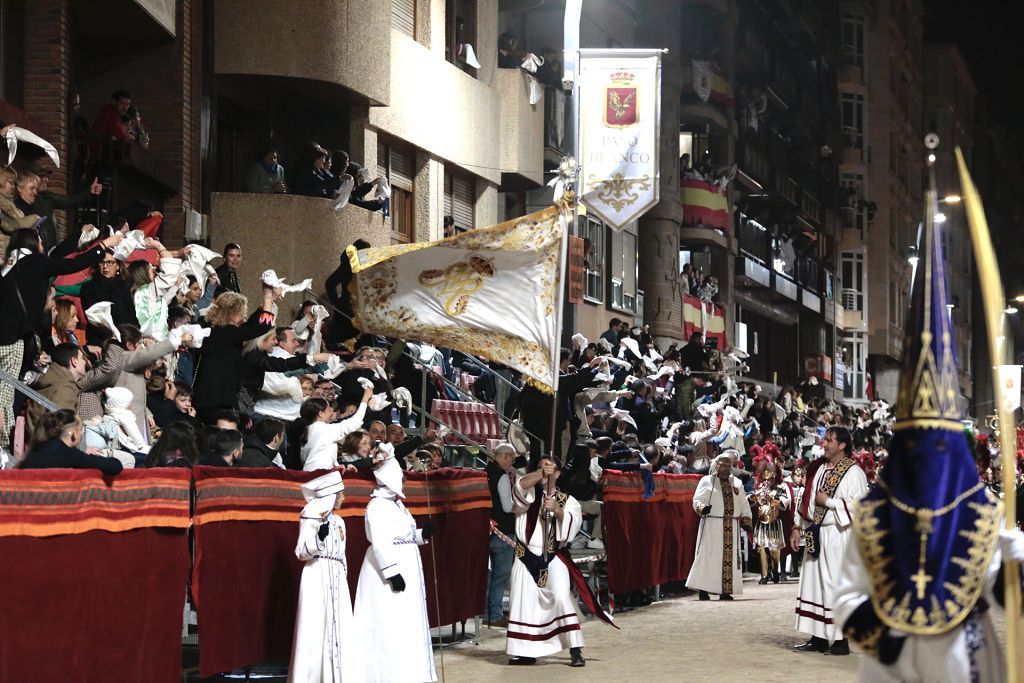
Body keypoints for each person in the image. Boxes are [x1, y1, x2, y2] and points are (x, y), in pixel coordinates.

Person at [833, 216, 1024, 682]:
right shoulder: (873, 514)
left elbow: (1003, 596)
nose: (926, 457)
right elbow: (847, 597)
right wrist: (891, 637)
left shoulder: (982, 512)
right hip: (890, 666)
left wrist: (1015, 565)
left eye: (937, 445)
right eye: (915, 445)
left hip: (967, 661)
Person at [0, 229, 121, 453]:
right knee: (5, 396)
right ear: (34, 243)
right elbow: (70, 265)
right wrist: (102, 247)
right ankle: (3, 447)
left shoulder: (6, 267)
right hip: (12, 340)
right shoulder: (34, 262)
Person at [506, 456, 613, 667]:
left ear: (557, 474)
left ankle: (575, 650)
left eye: (549, 469)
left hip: (553, 555)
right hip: (525, 555)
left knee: (562, 599)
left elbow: (571, 528)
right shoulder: (529, 493)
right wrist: (540, 474)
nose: (544, 471)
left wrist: (557, 510)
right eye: (540, 467)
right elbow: (520, 485)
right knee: (523, 603)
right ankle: (526, 652)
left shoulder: (567, 500)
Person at [354, 449, 437, 683]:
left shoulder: (397, 505)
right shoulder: (378, 506)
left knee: (406, 622)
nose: (404, 480)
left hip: (407, 563)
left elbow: (406, 535)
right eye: (401, 476)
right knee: (389, 623)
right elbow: (381, 542)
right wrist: (392, 572)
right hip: (388, 571)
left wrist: (423, 534)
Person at [790, 425, 868, 655]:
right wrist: (797, 527)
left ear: (842, 445)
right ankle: (818, 638)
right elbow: (807, 502)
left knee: (835, 585)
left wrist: (830, 502)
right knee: (813, 585)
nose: (824, 443)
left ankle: (841, 639)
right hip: (817, 532)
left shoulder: (854, 472)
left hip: (840, 534)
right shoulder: (819, 469)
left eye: (830, 440)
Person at [289, 470, 363, 682]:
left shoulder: (340, 521)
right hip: (317, 575)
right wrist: (317, 539)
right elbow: (301, 552)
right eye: (341, 494)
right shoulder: (311, 516)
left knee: (339, 625)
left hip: (337, 577)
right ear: (331, 495)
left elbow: (342, 554)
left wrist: (344, 576)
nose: (343, 498)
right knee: (315, 627)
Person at [192, 289, 277, 423]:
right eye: (240, 312)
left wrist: (269, 301)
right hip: (217, 398)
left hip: (206, 396)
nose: (243, 316)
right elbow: (262, 327)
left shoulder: (214, 330)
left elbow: (250, 326)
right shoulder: (226, 333)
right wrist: (268, 298)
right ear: (231, 313)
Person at [686, 453, 753, 600]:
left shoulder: (737, 483)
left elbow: (743, 503)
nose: (726, 468)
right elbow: (697, 500)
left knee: (728, 559)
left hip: (731, 524)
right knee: (708, 557)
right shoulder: (706, 481)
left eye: (729, 466)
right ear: (716, 465)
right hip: (712, 524)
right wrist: (702, 508)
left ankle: (725, 591)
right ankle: (703, 589)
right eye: (723, 465)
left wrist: (747, 520)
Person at [19, 160, 103, 252]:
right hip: (31, 248)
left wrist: (89, 192)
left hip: (50, 249)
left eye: (47, 177)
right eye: (42, 176)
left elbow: (69, 201)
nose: (46, 179)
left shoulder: (47, 197)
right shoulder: (20, 201)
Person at [19, 409, 123, 475]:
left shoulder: (39, 448)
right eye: (81, 429)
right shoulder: (66, 453)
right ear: (73, 434)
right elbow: (115, 466)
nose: (82, 434)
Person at [79, 245, 140, 346]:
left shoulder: (124, 286)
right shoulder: (89, 288)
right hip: (102, 342)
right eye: (102, 262)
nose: (105, 266)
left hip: (128, 340)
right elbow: (94, 319)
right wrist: (115, 337)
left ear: (118, 266)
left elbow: (132, 316)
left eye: (110, 262)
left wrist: (136, 335)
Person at [298, 391, 371, 471]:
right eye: (329, 410)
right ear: (320, 414)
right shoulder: (323, 429)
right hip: (320, 476)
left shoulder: (308, 429)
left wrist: (334, 466)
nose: (332, 411)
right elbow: (354, 422)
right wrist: (365, 399)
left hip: (312, 473)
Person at [485, 443, 516, 628]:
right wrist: (520, 507)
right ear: (504, 457)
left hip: (487, 531)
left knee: (490, 575)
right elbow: (507, 506)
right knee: (500, 575)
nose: (511, 462)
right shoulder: (502, 476)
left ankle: (487, 611)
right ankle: (495, 615)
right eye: (511, 458)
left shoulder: (483, 472)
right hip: (503, 531)